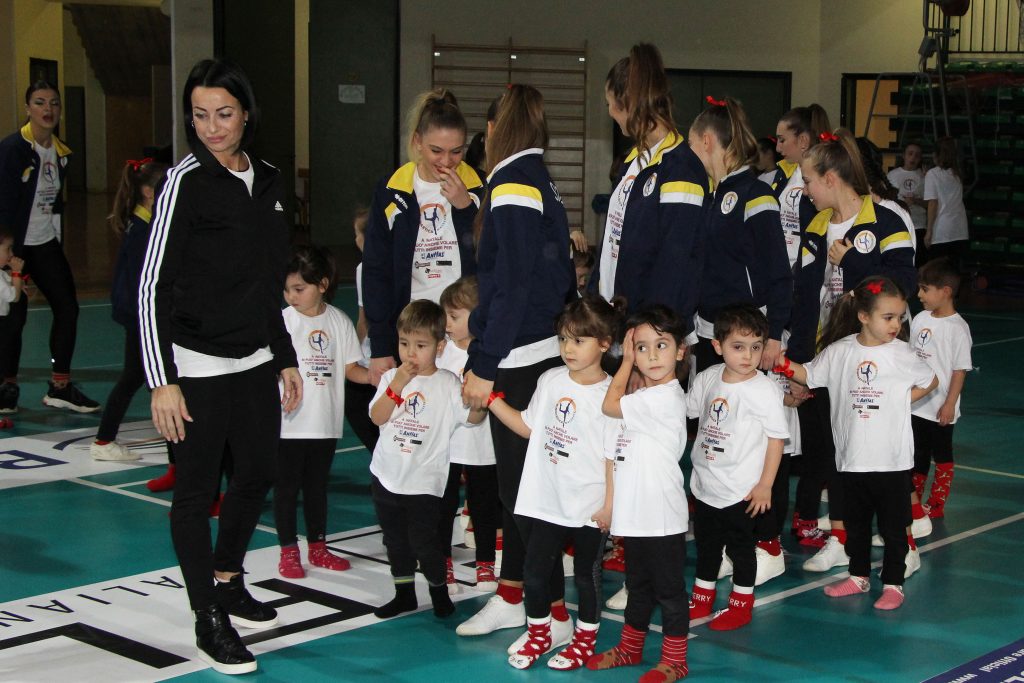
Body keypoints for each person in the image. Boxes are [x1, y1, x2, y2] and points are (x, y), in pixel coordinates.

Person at [138, 58, 304, 675]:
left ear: (246, 114)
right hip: (197, 362)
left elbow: (270, 281)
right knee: (196, 494)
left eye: (225, 114)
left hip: (256, 356)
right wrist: (163, 380)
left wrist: (283, 357)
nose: (212, 127)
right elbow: (151, 283)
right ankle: (208, 616)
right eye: (201, 115)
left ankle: (228, 576)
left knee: (258, 472)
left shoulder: (269, 179)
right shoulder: (184, 181)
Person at [457, 84, 574, 640]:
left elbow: (511, 284)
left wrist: (484, 361)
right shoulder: (532, 177)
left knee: (525, 493)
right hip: (534, 350)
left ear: (499, 127)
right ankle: (523, 597)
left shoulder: (515, 182)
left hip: (521, 357)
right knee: (523, 490)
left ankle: (544, 609)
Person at [788, 129, 916, 573]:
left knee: (881, 460)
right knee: (832, 452)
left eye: (807, 180)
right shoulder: (816, 226)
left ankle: (906, 549)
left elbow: (904, 286)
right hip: (830, 358)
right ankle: (843, 539)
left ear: (830, 178)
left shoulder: (887, 221)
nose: (803, 190)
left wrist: (854, 264)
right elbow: (805, 299)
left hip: (876, 362)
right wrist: (799, 362)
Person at [777, 276, 937, 610]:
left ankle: (893, 582)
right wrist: (779, 363)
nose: (896, 325)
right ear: (864, 316)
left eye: (899, 317)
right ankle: (858, 575)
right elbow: (809, 375)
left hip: (891, 461)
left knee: (894, 527)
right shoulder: (839, 352)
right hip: (851, 459)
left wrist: (902, 400)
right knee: (857, 524)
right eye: (888, 317)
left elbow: (931, 380)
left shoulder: (902, 354)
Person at [486, 295, 615, 671]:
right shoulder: (550, 379)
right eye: (562, 340)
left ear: (604, 343)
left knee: (589, 580)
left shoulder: (610, 397)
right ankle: (541, 632)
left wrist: (609, 505)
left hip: (589, 504)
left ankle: (585, 640)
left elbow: (613, 457)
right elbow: (529, 427)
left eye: (578, 340)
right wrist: (491, 400)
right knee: (535, 572)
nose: (567, 349)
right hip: (547, 499)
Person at [588, 305, 690, 683]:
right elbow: (616, 458)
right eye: (642, 348)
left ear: (680, 351)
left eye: (661, 345)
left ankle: (676, 660)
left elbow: (608, 404)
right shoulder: (643, 400)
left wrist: (626, 361)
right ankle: (631, 648)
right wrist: (613, 508)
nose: (651, 356)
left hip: (661, 518)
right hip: (638, 518)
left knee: (670, 592)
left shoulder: (663, 398)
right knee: (637, 587)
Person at [368, 299, 486, 619]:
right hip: (387, 474)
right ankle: (404, 593)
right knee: (395, 541)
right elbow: (378, 417)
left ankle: (438, 591)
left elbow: (472, 420)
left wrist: (481, 400)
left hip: (424, 481)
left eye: (420, 345)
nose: (410, 353)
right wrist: (397, 385)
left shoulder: (447, 383)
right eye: (404, 343)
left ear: (439, 346)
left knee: (426, 542)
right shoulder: (392, 377)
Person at [363, 88, 485, 387]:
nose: (447, 160)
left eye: (456, 151)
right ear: (417, 142)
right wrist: (380, 346)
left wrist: (466, 209)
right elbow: (376, 270)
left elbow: (495, 257)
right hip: (414, 330)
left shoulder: (481, 188)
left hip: (466, 333)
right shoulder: (392, 190)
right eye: (436, 151)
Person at [590, 42, 708, 326]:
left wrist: (652, 329)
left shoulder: (680, 167)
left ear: (627, 104)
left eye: (610, 104)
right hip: (616, 316)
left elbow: (675, 263)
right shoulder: (634, 161)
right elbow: (613, 242)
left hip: (651, 328)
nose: (609, 112)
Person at [687, 305, 788, 631]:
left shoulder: (764, 389)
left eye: (756, 347)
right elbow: (687, 411)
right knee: (707, 548)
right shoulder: (707, 378)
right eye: (738, 347)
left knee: (742, 552)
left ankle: (741, 604)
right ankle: (701, 599)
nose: (748, 356)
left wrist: (765, 485)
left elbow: (776, 440)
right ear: (717, 346)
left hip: (742, 490)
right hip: (706, 485)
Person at [0, 81, 99, 414]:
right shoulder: (12, 149)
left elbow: (53, 203)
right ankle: (6, 386)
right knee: (13, 319)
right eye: (40, 102)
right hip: (15, 247)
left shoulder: (62, 153)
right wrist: (9, 256)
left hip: (45, 244)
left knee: (68, 308)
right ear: (28, 108)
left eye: (54, 103)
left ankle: (60, 386)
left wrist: (55, 240)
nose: (48, 109)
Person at [275, 245, 369, 579]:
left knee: (316, 487)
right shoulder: (282, 322)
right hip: (289, 424)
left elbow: (351, 369)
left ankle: (318, 547)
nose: (291, 296)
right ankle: (288, 550)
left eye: (299, 289)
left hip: (325, 423)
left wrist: (376, 375)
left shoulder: (339, 322)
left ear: (323, 285)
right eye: (287, 290)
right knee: (286, 488)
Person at [687, 95, 791, 374]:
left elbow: (779, 271)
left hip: (747, 340)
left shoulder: (756, 195)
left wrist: (774, 335)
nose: (689, 152)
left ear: (706, 141)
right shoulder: (708, 195)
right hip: (709, 334)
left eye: (691, 144)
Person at [89, 159, 170, 462]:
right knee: (143, 376)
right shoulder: (142, 230)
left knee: (145, 377)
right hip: (140, 315)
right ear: (149, 192)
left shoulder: (147, 223)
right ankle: (104, 440)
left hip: (139, 313)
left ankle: (173, 438)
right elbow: (145, 279)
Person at [436, 276, 501, 594]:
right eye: (445, 316)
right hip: (448, 445)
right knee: (444, 505)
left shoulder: (489, 354)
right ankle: (442, 563)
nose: (446, 324)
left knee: (484, 505)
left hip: (483, 445)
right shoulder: (441, 352)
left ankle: (486, 564)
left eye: (454, 317)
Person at [910, 258, 972, 519]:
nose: (920, 295)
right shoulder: (921, 318)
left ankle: (936, 504)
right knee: (917, 453)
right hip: (916, 402)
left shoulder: (958, 329)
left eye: (925, 289)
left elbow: (959, 370)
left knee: (942, 452)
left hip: (939, 406)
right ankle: (913, 502)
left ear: (945, 292)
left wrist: (949, 403)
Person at [769, 104, 831, 269]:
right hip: (780, 267)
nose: (778, 147)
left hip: (805, 269)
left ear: (803, 140)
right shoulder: (783, 173)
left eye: (782, 140)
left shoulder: (825, 176)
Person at [344, 206, 380, 453]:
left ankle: (383, 458)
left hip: (376, 354)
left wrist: (353, 355)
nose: (354, 239)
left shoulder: (364, 268)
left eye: (356, 233)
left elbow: (363, 319)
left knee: (357, 406)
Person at [923, 137, 969, 262]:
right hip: (960, 230)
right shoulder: (957, 173)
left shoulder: (933, 174)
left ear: (936, 155)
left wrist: (928, 232)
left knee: (937, 273)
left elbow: (933, 203)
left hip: (941, 231)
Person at [887, 141, 928, 263]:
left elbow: (931, 203)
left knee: (918, 261)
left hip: (919, 225)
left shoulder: (924, 176)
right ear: (904, 155)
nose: (913, 158)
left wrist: (915, 201)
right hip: (898, 225)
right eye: (910, 154)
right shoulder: (892, 175)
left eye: (917, 155)